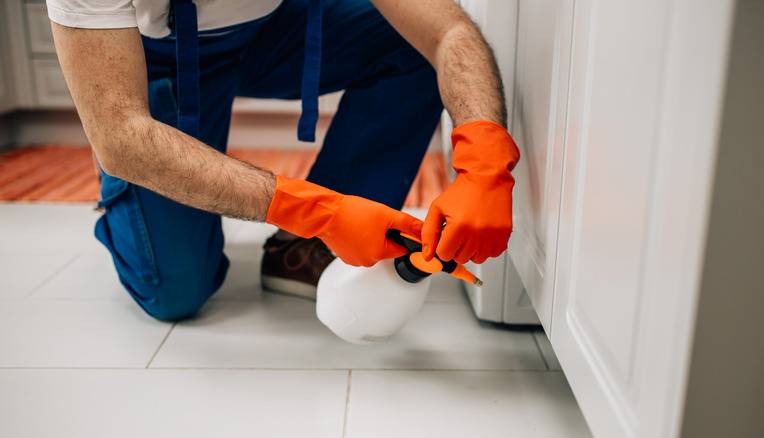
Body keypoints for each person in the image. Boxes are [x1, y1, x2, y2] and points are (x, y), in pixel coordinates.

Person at [47, 0, 520, 321]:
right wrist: (314, 207)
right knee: (175, 293)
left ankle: (305, 249)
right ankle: (135, 192)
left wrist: (486, 164)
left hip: (274, 27)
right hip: (158, 51)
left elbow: (447, 30)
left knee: (409, 41)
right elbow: (120, 133)